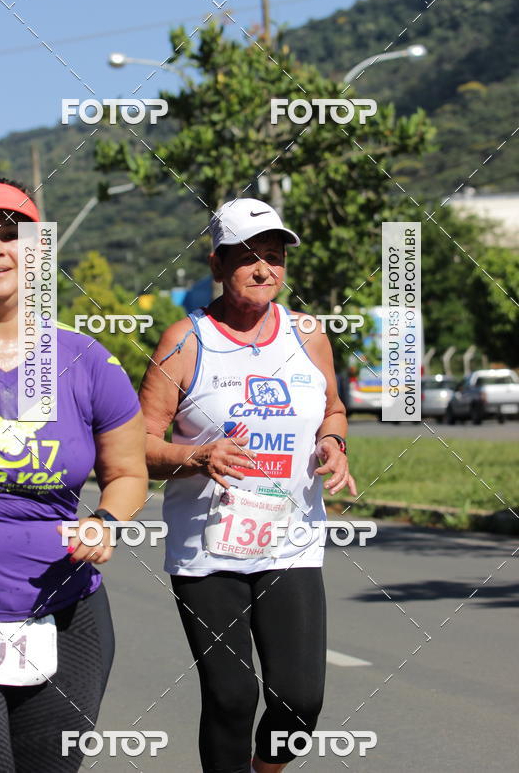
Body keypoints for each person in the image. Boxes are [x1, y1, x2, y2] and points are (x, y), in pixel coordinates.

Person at [0, 178, 148, 773]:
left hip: (64, 612)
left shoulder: (87, 359)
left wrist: (105, 522)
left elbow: (126, 471)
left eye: (11, 235)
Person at [139, 198, 357, 773]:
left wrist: (333, 444)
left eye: (276, 256)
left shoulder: (308, 335)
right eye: (249, 257)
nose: (265, 269)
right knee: (233, 698)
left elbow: (333, 408)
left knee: (300, 702)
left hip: (291, 541)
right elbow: (136, 445)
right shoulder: (185, 343)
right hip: (209, 550)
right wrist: (197, 455)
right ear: (217, 265)